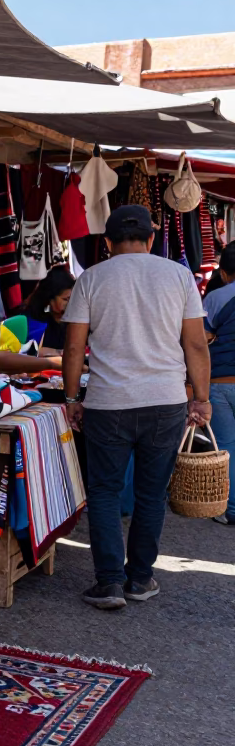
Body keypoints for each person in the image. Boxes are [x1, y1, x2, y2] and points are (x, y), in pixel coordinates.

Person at [62, 204, 210, 610]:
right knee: (151, 494)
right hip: (166, 402)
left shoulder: (91, 278)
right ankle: (140, 579)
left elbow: (74, 347)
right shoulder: (179, 276)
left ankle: (109, 583)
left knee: (105, 491)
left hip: (109, 402)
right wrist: (201, 397)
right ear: (150, 240)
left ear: (107, 244)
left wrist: (72, 398)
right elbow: (195, 344)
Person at [204, 242, 235, 525]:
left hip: (221, 382)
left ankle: (232, 509)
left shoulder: (215, 298)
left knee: (226, 445)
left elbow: (199, 340)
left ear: (224, 272)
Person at [22, 268, 76, 355]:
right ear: (50, 299)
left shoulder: (72, 320)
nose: (70, 303)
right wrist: (59, 353)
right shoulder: (33, 322)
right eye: (65, 299)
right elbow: (30, 352)